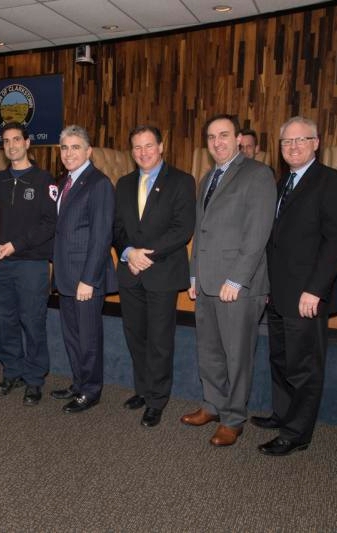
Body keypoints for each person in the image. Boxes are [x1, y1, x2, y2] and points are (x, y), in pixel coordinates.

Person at [253, 116, 337, 456]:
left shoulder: (331, 182)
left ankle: (296, 433)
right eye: (286, 142)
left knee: (304, 366)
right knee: (280, 359)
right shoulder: (283, 183)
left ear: (316, 143)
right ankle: (283, 414)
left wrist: (316, 289)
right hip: (278, 292)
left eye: (300, 140)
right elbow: (274, 242)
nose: (293, 147)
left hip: (307, 295)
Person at [182, 115, 276, 446]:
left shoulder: (258, 174)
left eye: (224, 135)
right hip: (206, 281)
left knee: (237, 355)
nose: (217, 142)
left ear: (238, 139)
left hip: (238, 286)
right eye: (211, 137)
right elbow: (201, 230)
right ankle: (212, 404)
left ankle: (234, 418)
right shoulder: (208, 177)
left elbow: (258, 232)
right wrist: (193, 273)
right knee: (209, 351)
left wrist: (237, 279)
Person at [113, 125, 196, 428]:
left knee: (160, 340)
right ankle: (143, 390)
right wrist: (127, 253)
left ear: (161, 146)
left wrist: (144, 255)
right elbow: (117, 227)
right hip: (130, 272)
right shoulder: (122, 184)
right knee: (136, 336)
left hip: (161, 272)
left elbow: (182, 228)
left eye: (149, 146)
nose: (143, 152)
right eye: (137, 147)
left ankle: (157, 400)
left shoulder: (181, 181)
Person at [0, 121, 57, 406]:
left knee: (32, 320)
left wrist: (16, 245)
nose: (11, 145)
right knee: (5, 319)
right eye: (6, 141)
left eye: (16, 139)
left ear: (27, 143)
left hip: (31, 264)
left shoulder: (44, 180)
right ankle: (12, 371)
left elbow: (50, 223)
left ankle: (35, 380)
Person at [50, 125, 117, 414]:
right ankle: (78, 383)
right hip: (66, 275)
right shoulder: (64, 182)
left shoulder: (98, 183)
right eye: (64, 148)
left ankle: (91, 390)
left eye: (75, 147)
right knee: (72, 336)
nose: (69, 153)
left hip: (85, 278)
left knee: (88, 337)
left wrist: (89, 279)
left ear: (89, 151)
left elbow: (102, 236)